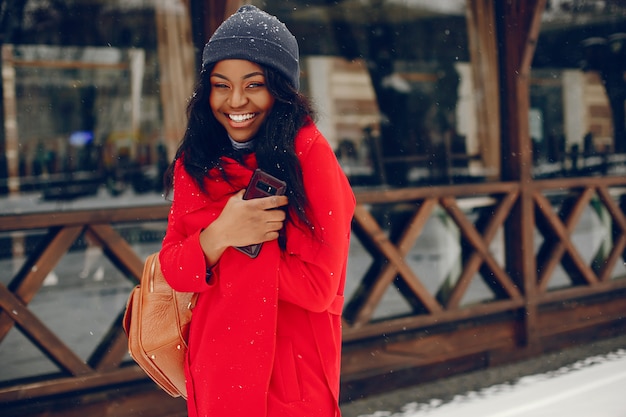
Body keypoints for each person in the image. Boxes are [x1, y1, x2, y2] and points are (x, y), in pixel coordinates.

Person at [159, 5, 356, 417]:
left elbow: (319, 286)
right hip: (214, 371)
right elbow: (174, 271)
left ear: (281, 89)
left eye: (254, 85)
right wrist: (222, 234)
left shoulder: (308, 155)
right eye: (220, 85)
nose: (235, 101)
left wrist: (220, 253)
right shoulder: (195, 162)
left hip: (287, 377)